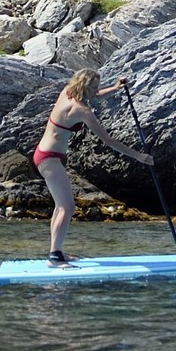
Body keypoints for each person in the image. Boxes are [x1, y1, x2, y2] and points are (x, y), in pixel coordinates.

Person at [32, 68, 142, 265]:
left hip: (46, 154)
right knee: (67, 207)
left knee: (61, 206)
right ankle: (54, 257)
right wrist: (139, 156)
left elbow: (94, 95)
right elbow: (108, 140)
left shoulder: (68, 92)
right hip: (49, 158)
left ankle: (56, 251)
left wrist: (115, 88)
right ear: (85, 86)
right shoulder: (82, 111)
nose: (96, 90)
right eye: (94, 87)